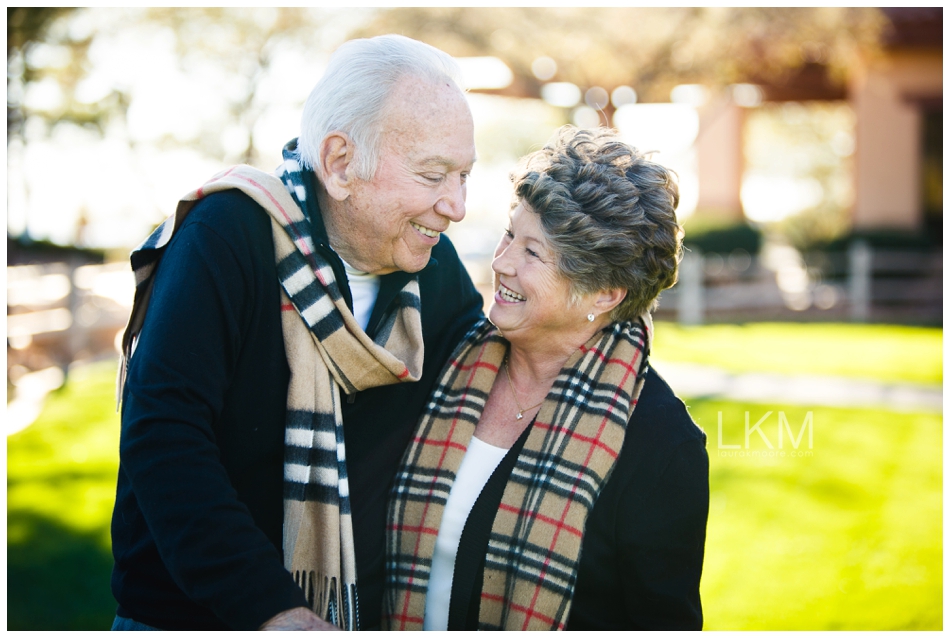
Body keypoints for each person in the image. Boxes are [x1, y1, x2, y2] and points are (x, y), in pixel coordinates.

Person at [110, 35, 483, 631]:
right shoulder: (227, 235)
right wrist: (277, 613)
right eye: (433, 174)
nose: (457, 205)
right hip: (190, 614)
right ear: (339, 163)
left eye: (464, 175)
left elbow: (496, 372)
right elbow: (167, 441)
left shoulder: (435, 272)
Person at [384, 126, 709, 631]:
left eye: (532, 253)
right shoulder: (446, 360)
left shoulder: (662, 443)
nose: (501, 262)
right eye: (510, 234)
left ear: (605, 294)